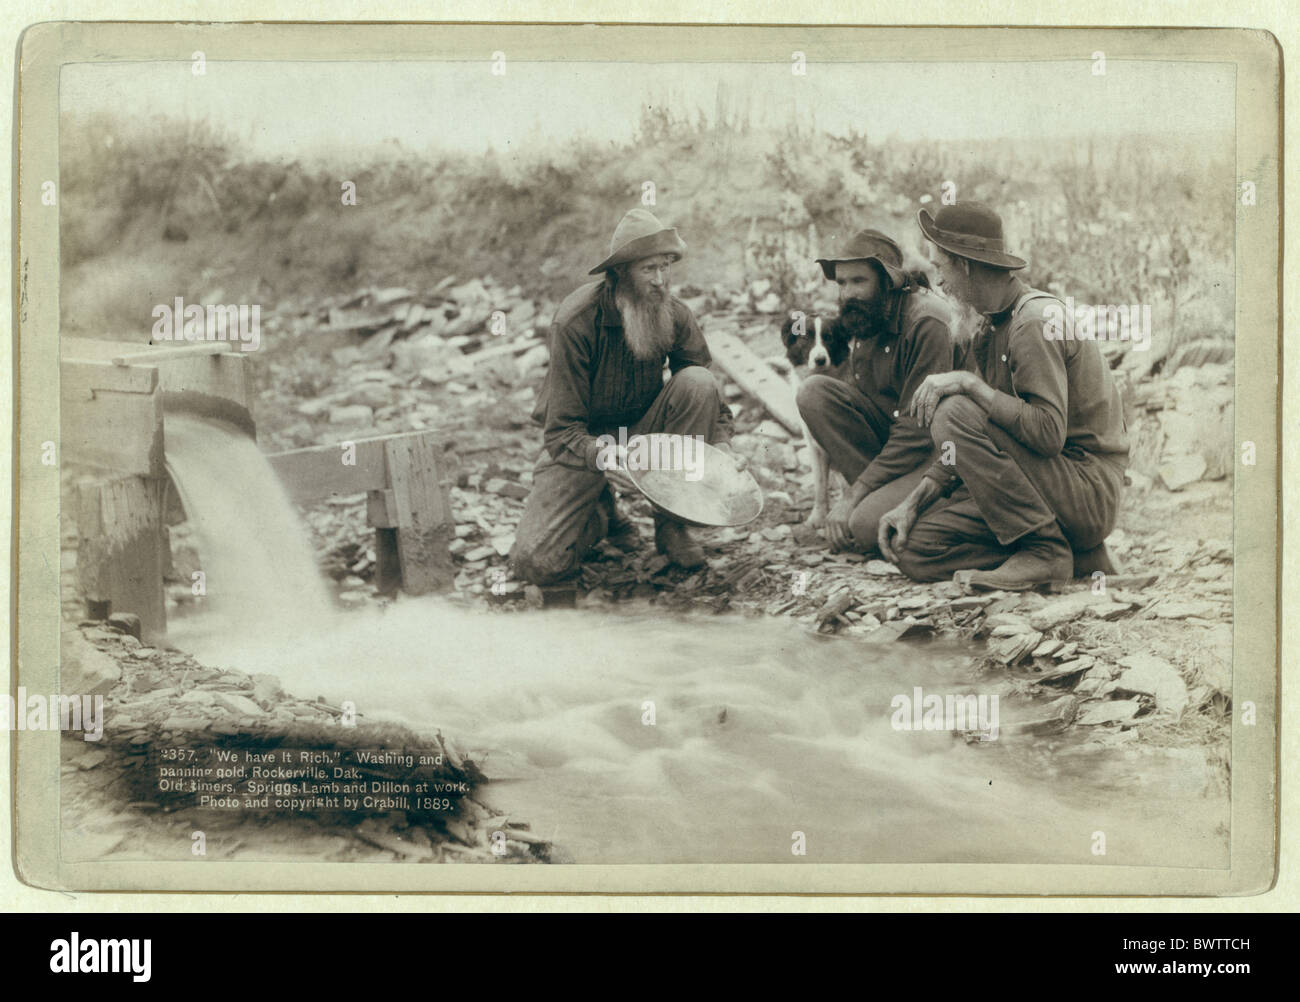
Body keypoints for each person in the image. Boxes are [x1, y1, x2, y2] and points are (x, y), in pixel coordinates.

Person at [877, 202, 1129, 590]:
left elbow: (1047, 435)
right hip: (1047, 490)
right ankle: (1075, 555)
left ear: (964, 265)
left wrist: (970, 384)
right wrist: (914, 502)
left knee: (953, 410)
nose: (938, 283)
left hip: (1085, 491)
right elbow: (967, 441)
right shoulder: (992, 325)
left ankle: (1045, 553)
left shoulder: (1033, 321)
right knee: (916, 549)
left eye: (941, 268)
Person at [509, 208, 738, 585]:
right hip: (584, 444)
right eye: (649, 269)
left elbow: (710, 394)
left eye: (666, 267)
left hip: (645, 436)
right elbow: (560, 430)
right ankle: (603, 514)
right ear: (620, 274)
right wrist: (603, 456)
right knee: (538, 563)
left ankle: (670, 527)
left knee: (696, 381)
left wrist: (721, 448)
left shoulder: (675, 314)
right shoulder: (575, 321)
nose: (661, 281)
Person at [795, 228, 955, 552]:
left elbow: (917, 432)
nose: (847, 293)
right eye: (841, 283)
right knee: (814, 392)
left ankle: (932, 510)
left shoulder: (927, 322)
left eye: (858, 281)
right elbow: (865, 403)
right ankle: (879, 499)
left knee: (865, 528)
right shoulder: (867, 317)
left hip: (937, 456)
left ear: (888, 281)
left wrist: (853, 497)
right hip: (894, 450)